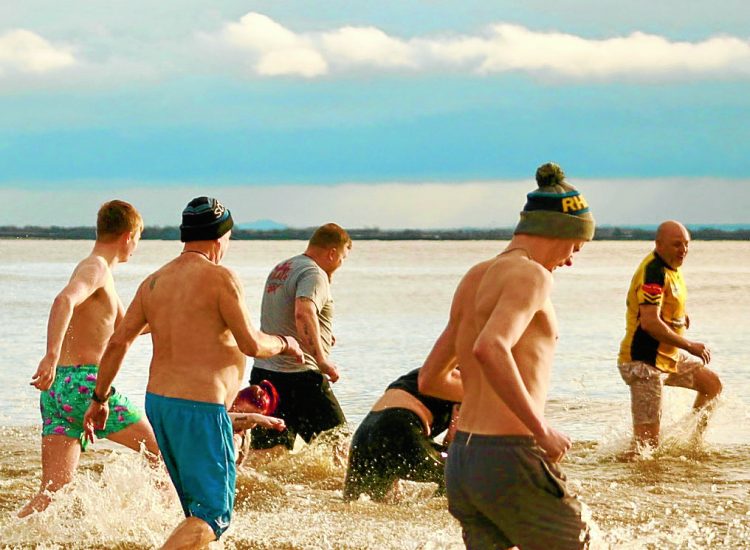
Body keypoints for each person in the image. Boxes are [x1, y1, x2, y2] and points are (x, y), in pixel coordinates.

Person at [82, 197, 303, 549]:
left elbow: (118, 341)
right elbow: (251, 343)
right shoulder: (220, 278)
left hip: (160, 405)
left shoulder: (154, 283)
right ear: (221, 238)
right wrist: (284, 342)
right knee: (214, 515)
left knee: (195, 513)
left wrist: (99, 398)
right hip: (199, 409)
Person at [418, 162, 594, 549]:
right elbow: (490, 347)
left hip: (464, 462)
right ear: (557, 232)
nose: (570, 260)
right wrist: (540, 429)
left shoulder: (476, 276)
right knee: (578, 539)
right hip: (509, 457)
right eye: (575, 247)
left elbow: (430, 379)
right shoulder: (532, 275)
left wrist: (488, 399)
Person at [19, 200, 160, 518]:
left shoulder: (100, 273)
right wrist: (50, 355)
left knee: (52, 493)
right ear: (128, 236)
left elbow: (129, 330)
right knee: (160, 454)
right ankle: (160, 524)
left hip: (57, 394)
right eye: (138, 239)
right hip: (85, 386)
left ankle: (10, 537)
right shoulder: (96, 267)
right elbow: (63, 300)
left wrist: (176, 316)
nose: (136, 248)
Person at [617, 220, 722, 451]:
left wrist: (680, 317)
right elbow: (650, 322)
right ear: (659, 244)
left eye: (686, 244)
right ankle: (626, 475)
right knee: (647, 445)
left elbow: (664, 308)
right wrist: (689, 345)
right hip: (644, 363)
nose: (683, 250)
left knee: (712, 386)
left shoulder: (672, 268)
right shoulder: (653, 272)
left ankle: (692, 445)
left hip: (667, 358)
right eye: (676, 245)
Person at [249, 223, 352, 451]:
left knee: (271, 454)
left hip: (265, 374)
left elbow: (285, 315)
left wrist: (323, 334)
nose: (341, 264)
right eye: (343, 258)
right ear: (332, 253)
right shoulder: (314, 273)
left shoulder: (283, 268)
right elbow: (303, 312)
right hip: (301, 379)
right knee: (340, 448)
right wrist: (322, 358)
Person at [343, 367, 461, 502]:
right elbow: (455, 440)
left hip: (364, 436)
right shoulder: (465, 383)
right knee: (459, 472)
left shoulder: (426, 373)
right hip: (400, 430)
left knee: (355, 503)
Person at [229, 381, 284, 465]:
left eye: (252, 421)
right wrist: (253, 417)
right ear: (233, 402)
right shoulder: (218, 415)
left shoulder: (244, 434)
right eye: (239, 412)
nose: (244, 421)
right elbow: (221, 419)